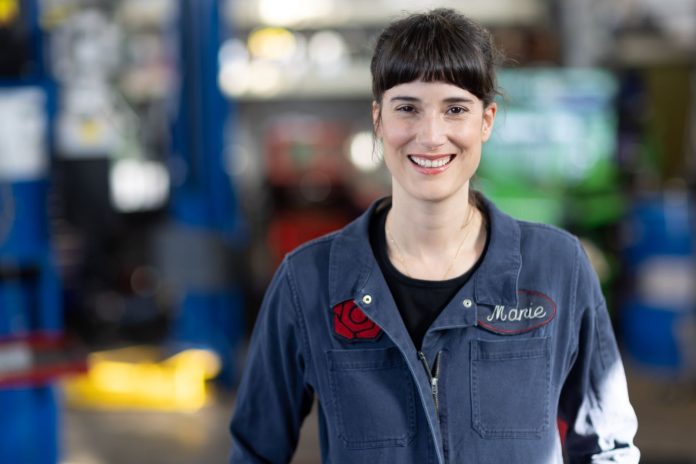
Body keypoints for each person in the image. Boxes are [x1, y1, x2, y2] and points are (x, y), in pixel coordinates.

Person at [229, 8, 639, 463]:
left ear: (486, 121)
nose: (431, 135)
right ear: (378, 120)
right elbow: (254, 452)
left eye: (456, 109)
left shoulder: (558, 267)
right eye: (407, 108)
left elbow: (608, 449)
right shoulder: (308, 281)